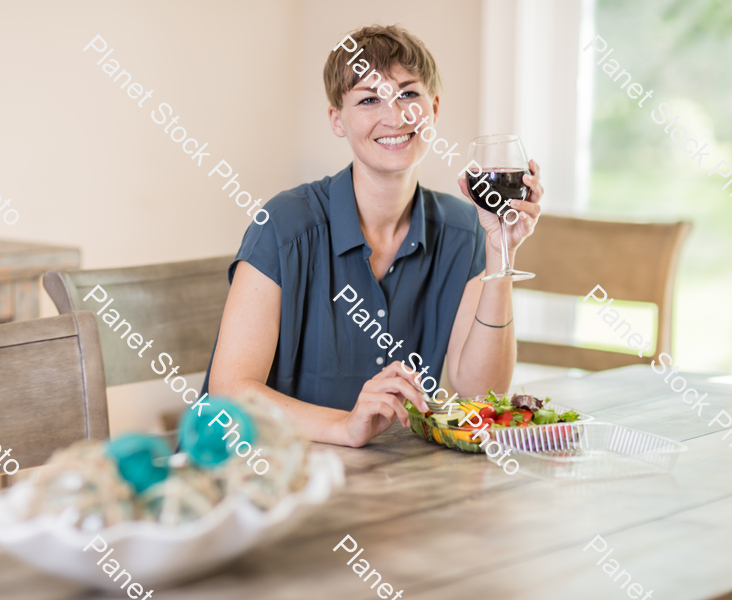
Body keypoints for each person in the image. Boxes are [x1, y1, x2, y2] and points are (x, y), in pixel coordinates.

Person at [203, 25, 543, 447]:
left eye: (408, 94)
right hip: (262, 479)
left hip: (385, 483)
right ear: (337, 120)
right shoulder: (283, 225)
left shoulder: (465, 230)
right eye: (368, 99)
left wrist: (500, 252)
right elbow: (228, 395)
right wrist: (344, 427)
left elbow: (480, 394)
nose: (395, 116)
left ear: (434, 108)